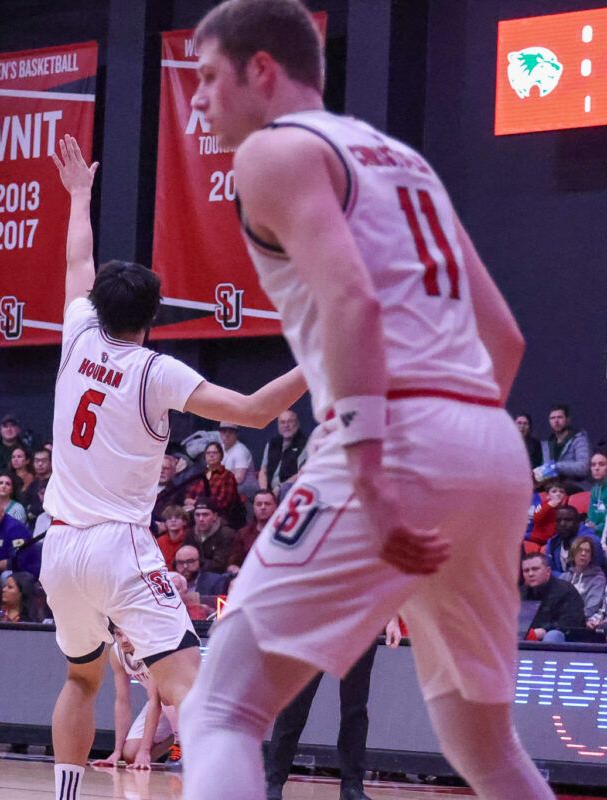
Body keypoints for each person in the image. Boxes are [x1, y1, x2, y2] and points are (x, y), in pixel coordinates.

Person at [180, 5, 554, 799]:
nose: (196, 101)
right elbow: (508, 339)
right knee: (485, 748)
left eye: (208, 77)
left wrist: (381, 471)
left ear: (263, 71)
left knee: (222, 709)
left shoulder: (273, 151)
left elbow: (353, 301)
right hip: (489, 444)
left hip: (398, 434)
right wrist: (456, 453)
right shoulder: (403, 159)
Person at [43, 132, 306, 800]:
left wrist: (78, 196)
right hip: (118, 546)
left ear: (99, 307)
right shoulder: (155, 371)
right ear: (152, 317)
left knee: (80, 678)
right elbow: (250, 410)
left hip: (60, 548)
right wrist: (322, 362)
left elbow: (78, 261)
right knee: (188, 684)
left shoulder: (75, 334)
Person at [265, 620, 401, 800]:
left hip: (361, 621)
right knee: (295, 704)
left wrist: (391, 619)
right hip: (319, 618)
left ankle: (352, 786)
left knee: (355, 709)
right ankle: (272, 782)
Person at [92, 626, 180, 770]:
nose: (124, 640)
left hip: (185, 701)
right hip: (161, 704)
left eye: (129, 634)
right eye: (119, 635)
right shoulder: (116, 653)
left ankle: (181, 741)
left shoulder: (153, 648)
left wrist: (145, 751)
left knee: (164, 695)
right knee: (131, 754)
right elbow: (122, 701)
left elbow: (155, 700)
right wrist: (117, 751)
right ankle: (173, 738)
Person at [521, 552, 585, 643]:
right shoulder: (521, 594)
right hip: (528, 642)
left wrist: (544, 631)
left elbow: (571, 625)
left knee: (553, 635)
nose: (530, 574)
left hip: (565, 644)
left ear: (548, 571)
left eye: (535, 569)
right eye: (526, 571)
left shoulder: (566, 591)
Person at [257, 410, 307, 499]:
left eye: (290, 421)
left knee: (285, 490)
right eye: (282, 422)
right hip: (270, 491)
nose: (286, 425)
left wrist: (280, 487)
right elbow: (263, 470)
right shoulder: (272, 443)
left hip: (290, 490)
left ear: (297, 424)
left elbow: (302, 473)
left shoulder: (304, 444)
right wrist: (264, 492)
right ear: (278, 426)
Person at [537, 405, 591, 485]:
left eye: (560, 417)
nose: (556, 421)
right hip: (552, 487)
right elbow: (544, 470)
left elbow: (583, 468)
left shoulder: (579, 439)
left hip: (575, 485)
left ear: (568, 420)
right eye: (552, 418)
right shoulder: (547, 444)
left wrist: (556, 467)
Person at [229, 489, 277, 576]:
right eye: (259, 504)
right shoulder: (243, 534)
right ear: (253, 508)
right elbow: (233, 564)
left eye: (267, 504)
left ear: (276, 507)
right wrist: (234, 569)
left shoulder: (284, 533)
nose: (263, 507)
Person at [558, 535, 606, 621]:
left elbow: (591, 608)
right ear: (573, 554)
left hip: (581, 623)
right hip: (560, 621)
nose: (583, 553)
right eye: (580, 550)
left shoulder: (598, 580)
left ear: (591, 557)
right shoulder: (564, 577)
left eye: (587, 551)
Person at [202, 441, 245, 528]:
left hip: (220, 516)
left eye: (214, 453)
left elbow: (222, 503)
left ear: (221, 456)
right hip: (199, 511)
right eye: (208, 453)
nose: (211, 455)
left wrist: (197, 503)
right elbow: (189, 494)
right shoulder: (201, 475)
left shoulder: (227, 476)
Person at [218, 422, 256, 492]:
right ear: (219, 433)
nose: (227, 434)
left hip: (244, 489)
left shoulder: (241, 450)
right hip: (227, 485)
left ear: (236, 434)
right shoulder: (220, 447)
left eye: (231, 431)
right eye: (224, 431)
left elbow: (238, 479)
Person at [587, 451, 607, 538]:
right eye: (593, 465)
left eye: (601, 464)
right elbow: (591, 516)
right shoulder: (594, 489)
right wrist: (589, 524)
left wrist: (596, 528)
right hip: (595, 534)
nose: (596, 468)